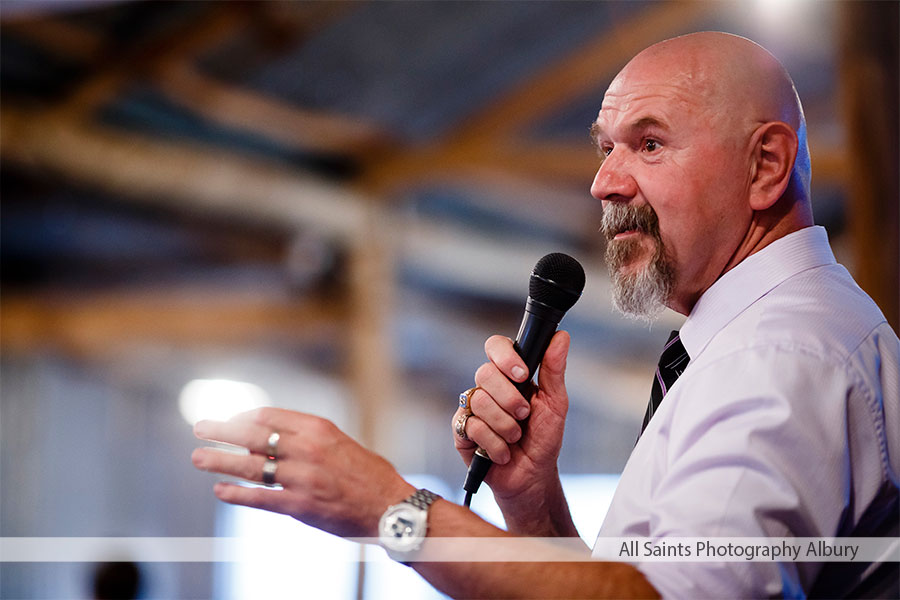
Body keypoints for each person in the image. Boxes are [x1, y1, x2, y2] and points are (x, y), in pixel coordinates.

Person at [192, 32, 899, 598]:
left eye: (650, 144)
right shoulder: (765, 341)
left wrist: (392, 509)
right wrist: (535, 505)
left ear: (765, 167)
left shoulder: (779, 359)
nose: (604, 182)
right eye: (606, 147)